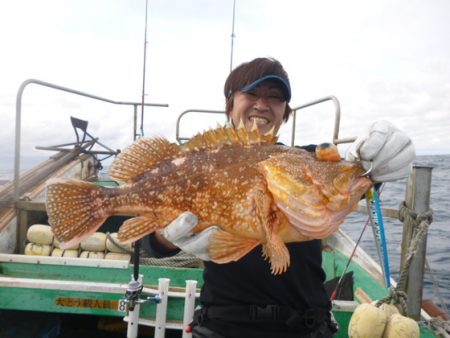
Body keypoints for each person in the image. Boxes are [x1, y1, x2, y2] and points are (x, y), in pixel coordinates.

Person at [144, 57, 415, 337]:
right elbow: (149, 245)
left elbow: (355, 180)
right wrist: (166, 236)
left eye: (275, 98)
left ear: (285, 111)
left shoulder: (310, 158)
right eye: (251, 94)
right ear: (230, 103)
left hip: (308, 327)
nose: (262, 105)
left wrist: (380, 162)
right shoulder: (195, 163)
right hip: (222, 326)